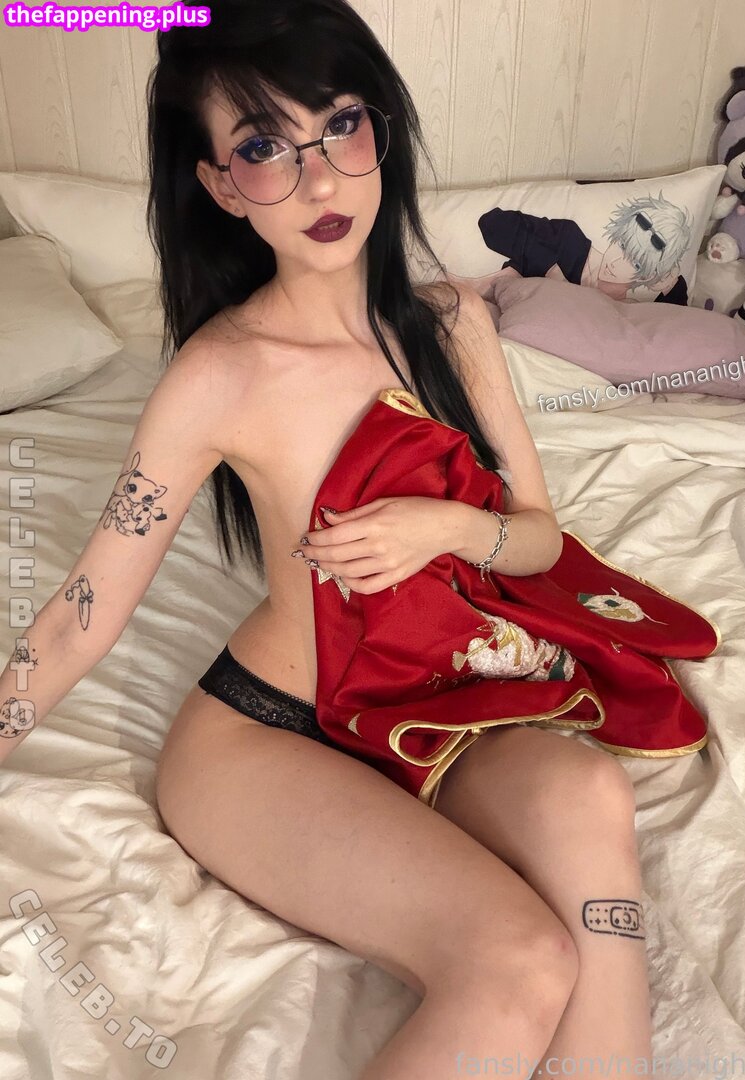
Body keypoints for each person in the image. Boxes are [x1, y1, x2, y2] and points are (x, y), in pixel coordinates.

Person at [0, 2, 658, 1076]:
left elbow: (540, 541)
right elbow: (82, 615)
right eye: (265, 147)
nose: (319, 182)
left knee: (592, 796)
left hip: (439, 702)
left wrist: (449, 527)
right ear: (220, 186)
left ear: (380, 131)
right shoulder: (218, 375)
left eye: (341, 125)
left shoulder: (454, 325)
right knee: (519, 961)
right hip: (273, 736)